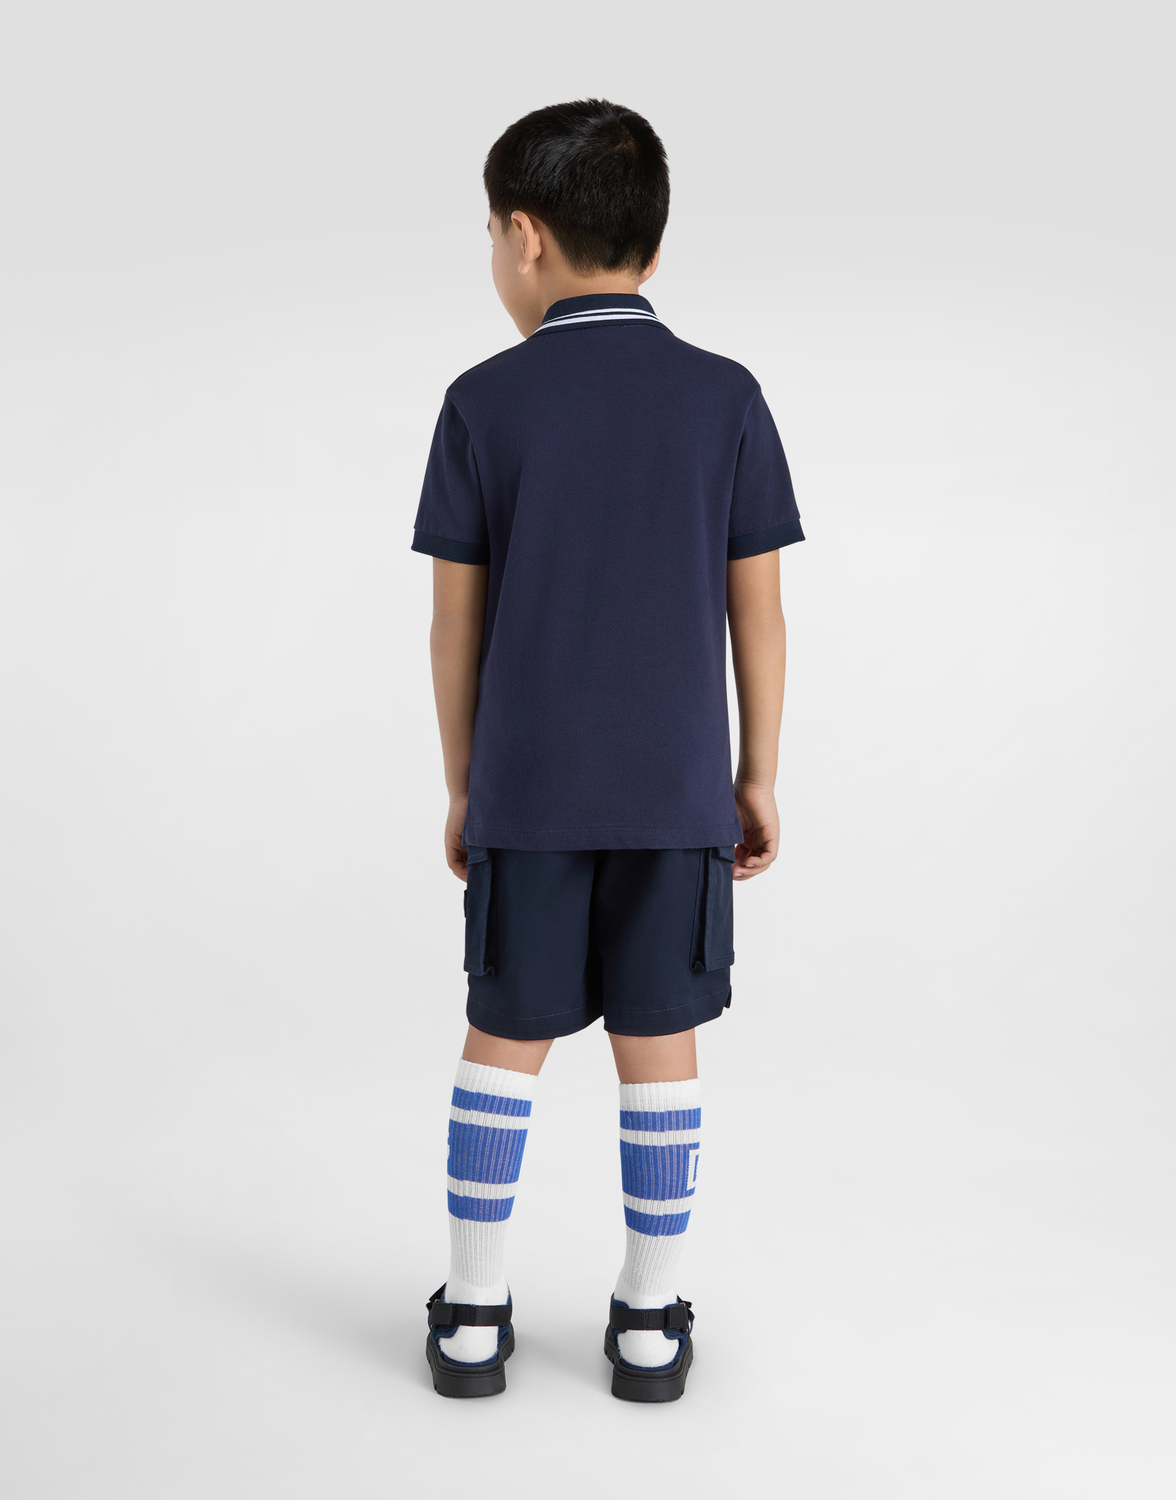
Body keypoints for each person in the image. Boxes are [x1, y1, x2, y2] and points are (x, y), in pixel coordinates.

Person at [412, 98, 803, 1403]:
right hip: (677, 789)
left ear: (525, 235)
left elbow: (453, 625)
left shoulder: (482, 402)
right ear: (651, 241)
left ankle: (474, 1314)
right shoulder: (726, 396)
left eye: (489, 233)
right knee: (660, 1045)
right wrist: (756, 773)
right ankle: (646, 1321)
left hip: (527, 790)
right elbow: (759, 609)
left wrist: (466, 784)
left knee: (501, 1041)